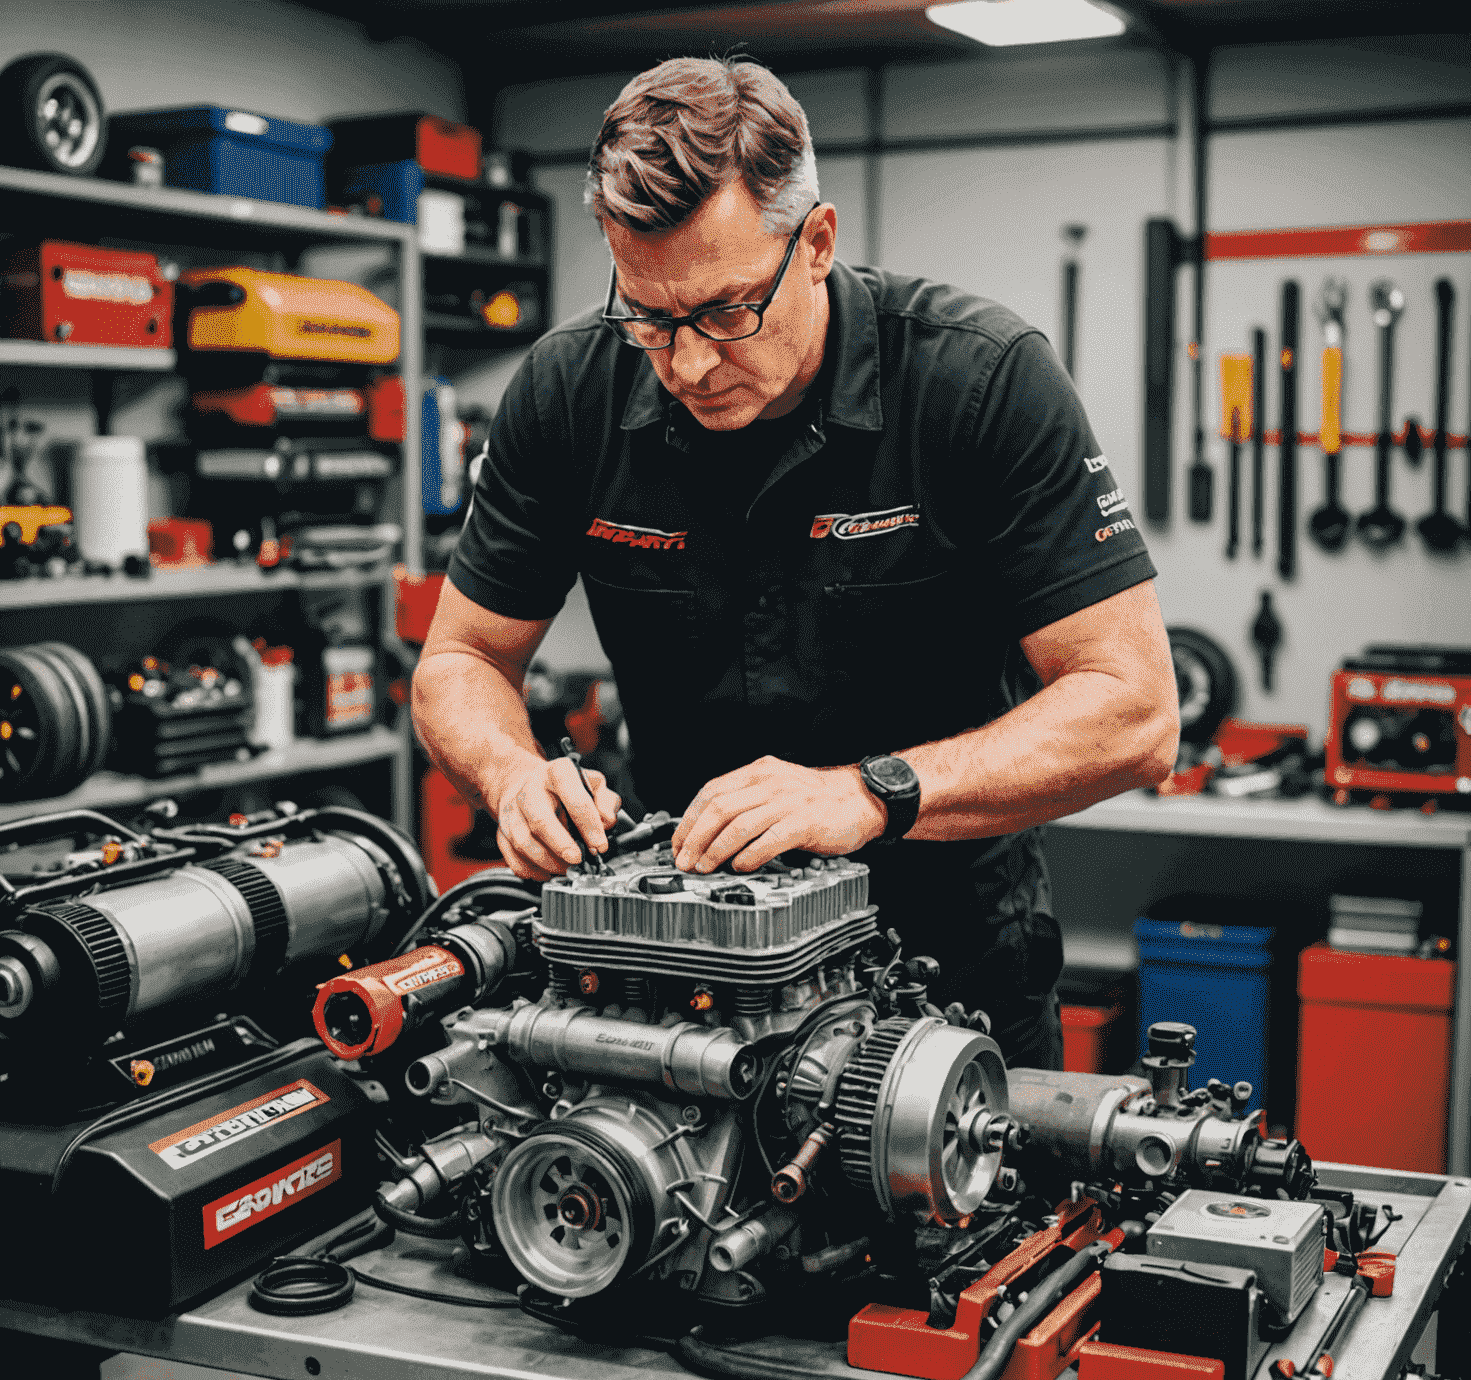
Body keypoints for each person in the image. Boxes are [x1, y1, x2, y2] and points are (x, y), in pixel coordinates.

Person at [413, 57, 1180, 1069]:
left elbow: (1136, 711)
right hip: (679, 971)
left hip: (948, 977)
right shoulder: (567, 394)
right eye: (648, 314)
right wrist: (512, 776)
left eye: (727, 312)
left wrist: (870, 794)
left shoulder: (977, 382)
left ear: (815, 243)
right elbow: (457, 663)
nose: (686, 363)